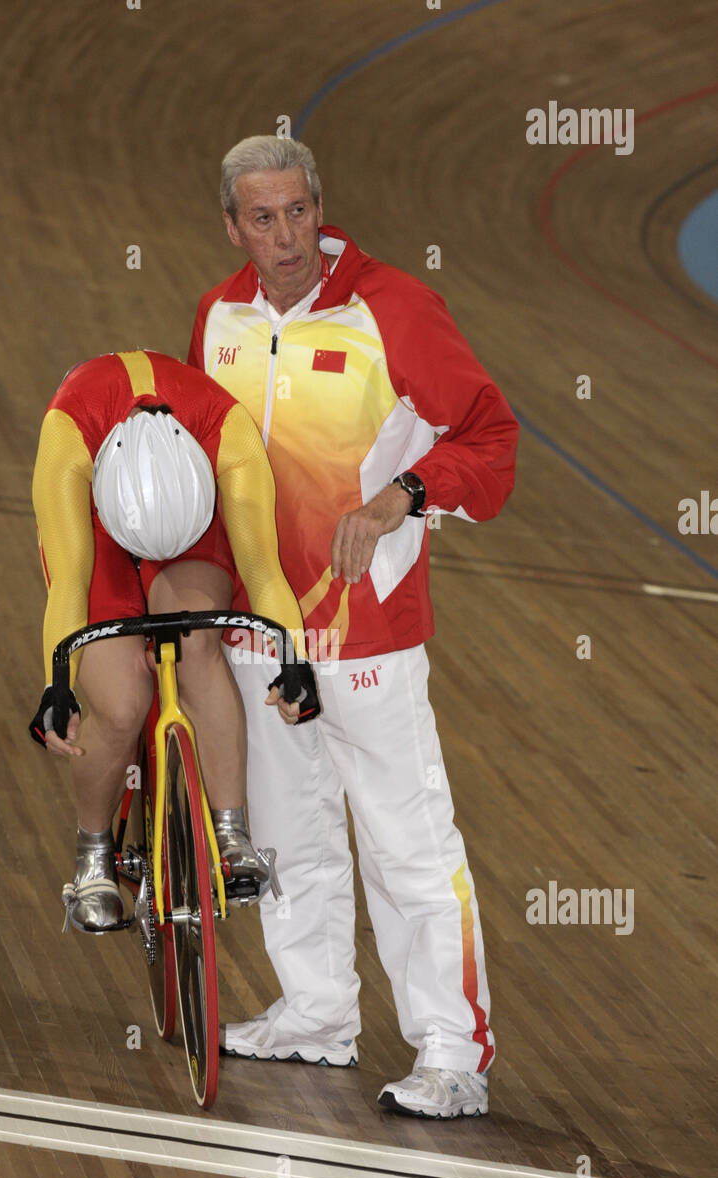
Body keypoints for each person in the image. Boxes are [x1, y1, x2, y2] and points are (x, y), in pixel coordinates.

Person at [188, 136, 518, 1118]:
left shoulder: (394, 308)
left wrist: (405, 495)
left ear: (317, 206)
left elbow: (489, 440)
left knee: (405, 843)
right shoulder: (218, 318)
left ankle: (452, 1052)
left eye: (297, 211)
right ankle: (315, 1011)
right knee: (288, 834)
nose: (284, 235)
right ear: (230, 224)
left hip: (367, 632)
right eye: (261, 217)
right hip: (262, 635)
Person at [29, 348, 316, 933]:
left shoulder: (230, 436)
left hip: (192, 512)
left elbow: (264, 572)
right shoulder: (67, 435)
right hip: (98, 512)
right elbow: (69, 588)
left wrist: (296, 662)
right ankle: (93, 856)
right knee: (121, 699)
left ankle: (232, 834)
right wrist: (58, 687)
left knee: (196, 646)